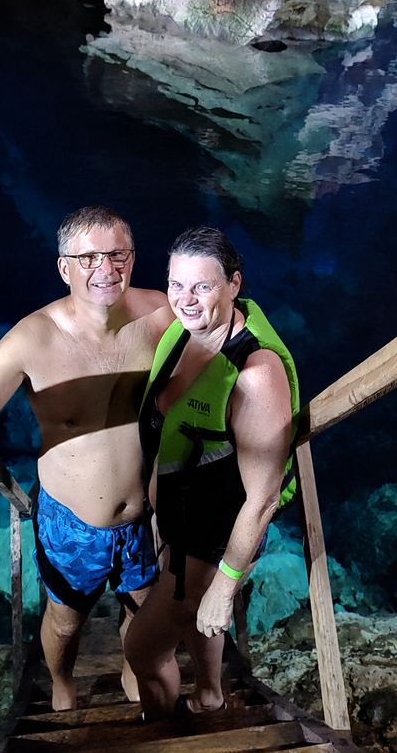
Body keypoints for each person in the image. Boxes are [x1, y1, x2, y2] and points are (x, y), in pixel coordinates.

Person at [0, 205, 170, 711]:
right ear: (64, 267)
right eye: (89, 257)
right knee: (65, 618)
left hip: (143, 515)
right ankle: (62, 681)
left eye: (117, 254)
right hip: (70, 522)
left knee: (142, 608)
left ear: (133, 258)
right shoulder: (34, 337)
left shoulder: (160, 314)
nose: (106, 268)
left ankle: (132, 667)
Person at [125, 226, 299, 718]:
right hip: (182, 516)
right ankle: (210, 694)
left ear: (234, 284)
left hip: (215, 537)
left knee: (142, 648)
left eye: (202, 286)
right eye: (176, 284)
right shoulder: (184, 330)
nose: (185, 299)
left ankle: (163, 732)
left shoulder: (255, 375)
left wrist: (224, 587)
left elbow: (262, 497)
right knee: (193, 621)